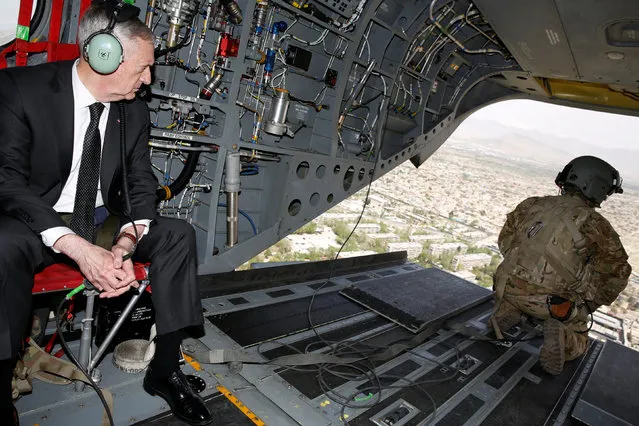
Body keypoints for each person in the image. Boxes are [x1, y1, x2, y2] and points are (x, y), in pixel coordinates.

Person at [0, 2, 212, 425]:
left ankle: (165, 369)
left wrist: (127, 239)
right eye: (143, 68)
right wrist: (75, 247)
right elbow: (8, 183)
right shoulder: (19, 90)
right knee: (2, 245)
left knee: (178, 235)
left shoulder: (132, 109)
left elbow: (140, 181)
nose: (149, 79)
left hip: (100, 221)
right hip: (36, 221)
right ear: (103, 57)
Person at [490, 155, 632, 375]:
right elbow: (619, 274)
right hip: (551, 305)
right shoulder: (597, 225)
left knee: (520, 291)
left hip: (505, 286)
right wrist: (586, 305)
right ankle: (565, 335)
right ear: (597, 187)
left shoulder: (532, 204)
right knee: (579, 333)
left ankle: (507, 309)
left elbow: (505, 242)